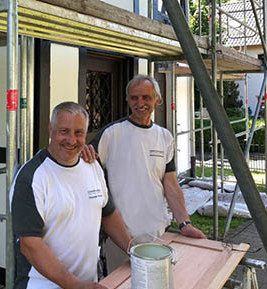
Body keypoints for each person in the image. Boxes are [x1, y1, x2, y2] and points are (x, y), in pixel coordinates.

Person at [10, 101, 131, 289]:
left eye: (79, 133)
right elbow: (30, 245)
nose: (71, 140)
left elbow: (108, 213)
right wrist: (77, 288)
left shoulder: (92, 165)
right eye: (63, 131)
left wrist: (135, 252)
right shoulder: (32, 178)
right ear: (50, 129)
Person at [82, 74, 206, 272]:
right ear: (127, 100)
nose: (140, 103)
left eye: (146, 98)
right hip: (121, 238)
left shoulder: (164, 137)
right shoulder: (111, 134)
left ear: (157, 100)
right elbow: (86, 171)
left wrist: (184, 224)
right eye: (134, 98)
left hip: (158, 233)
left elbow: (171, 184)